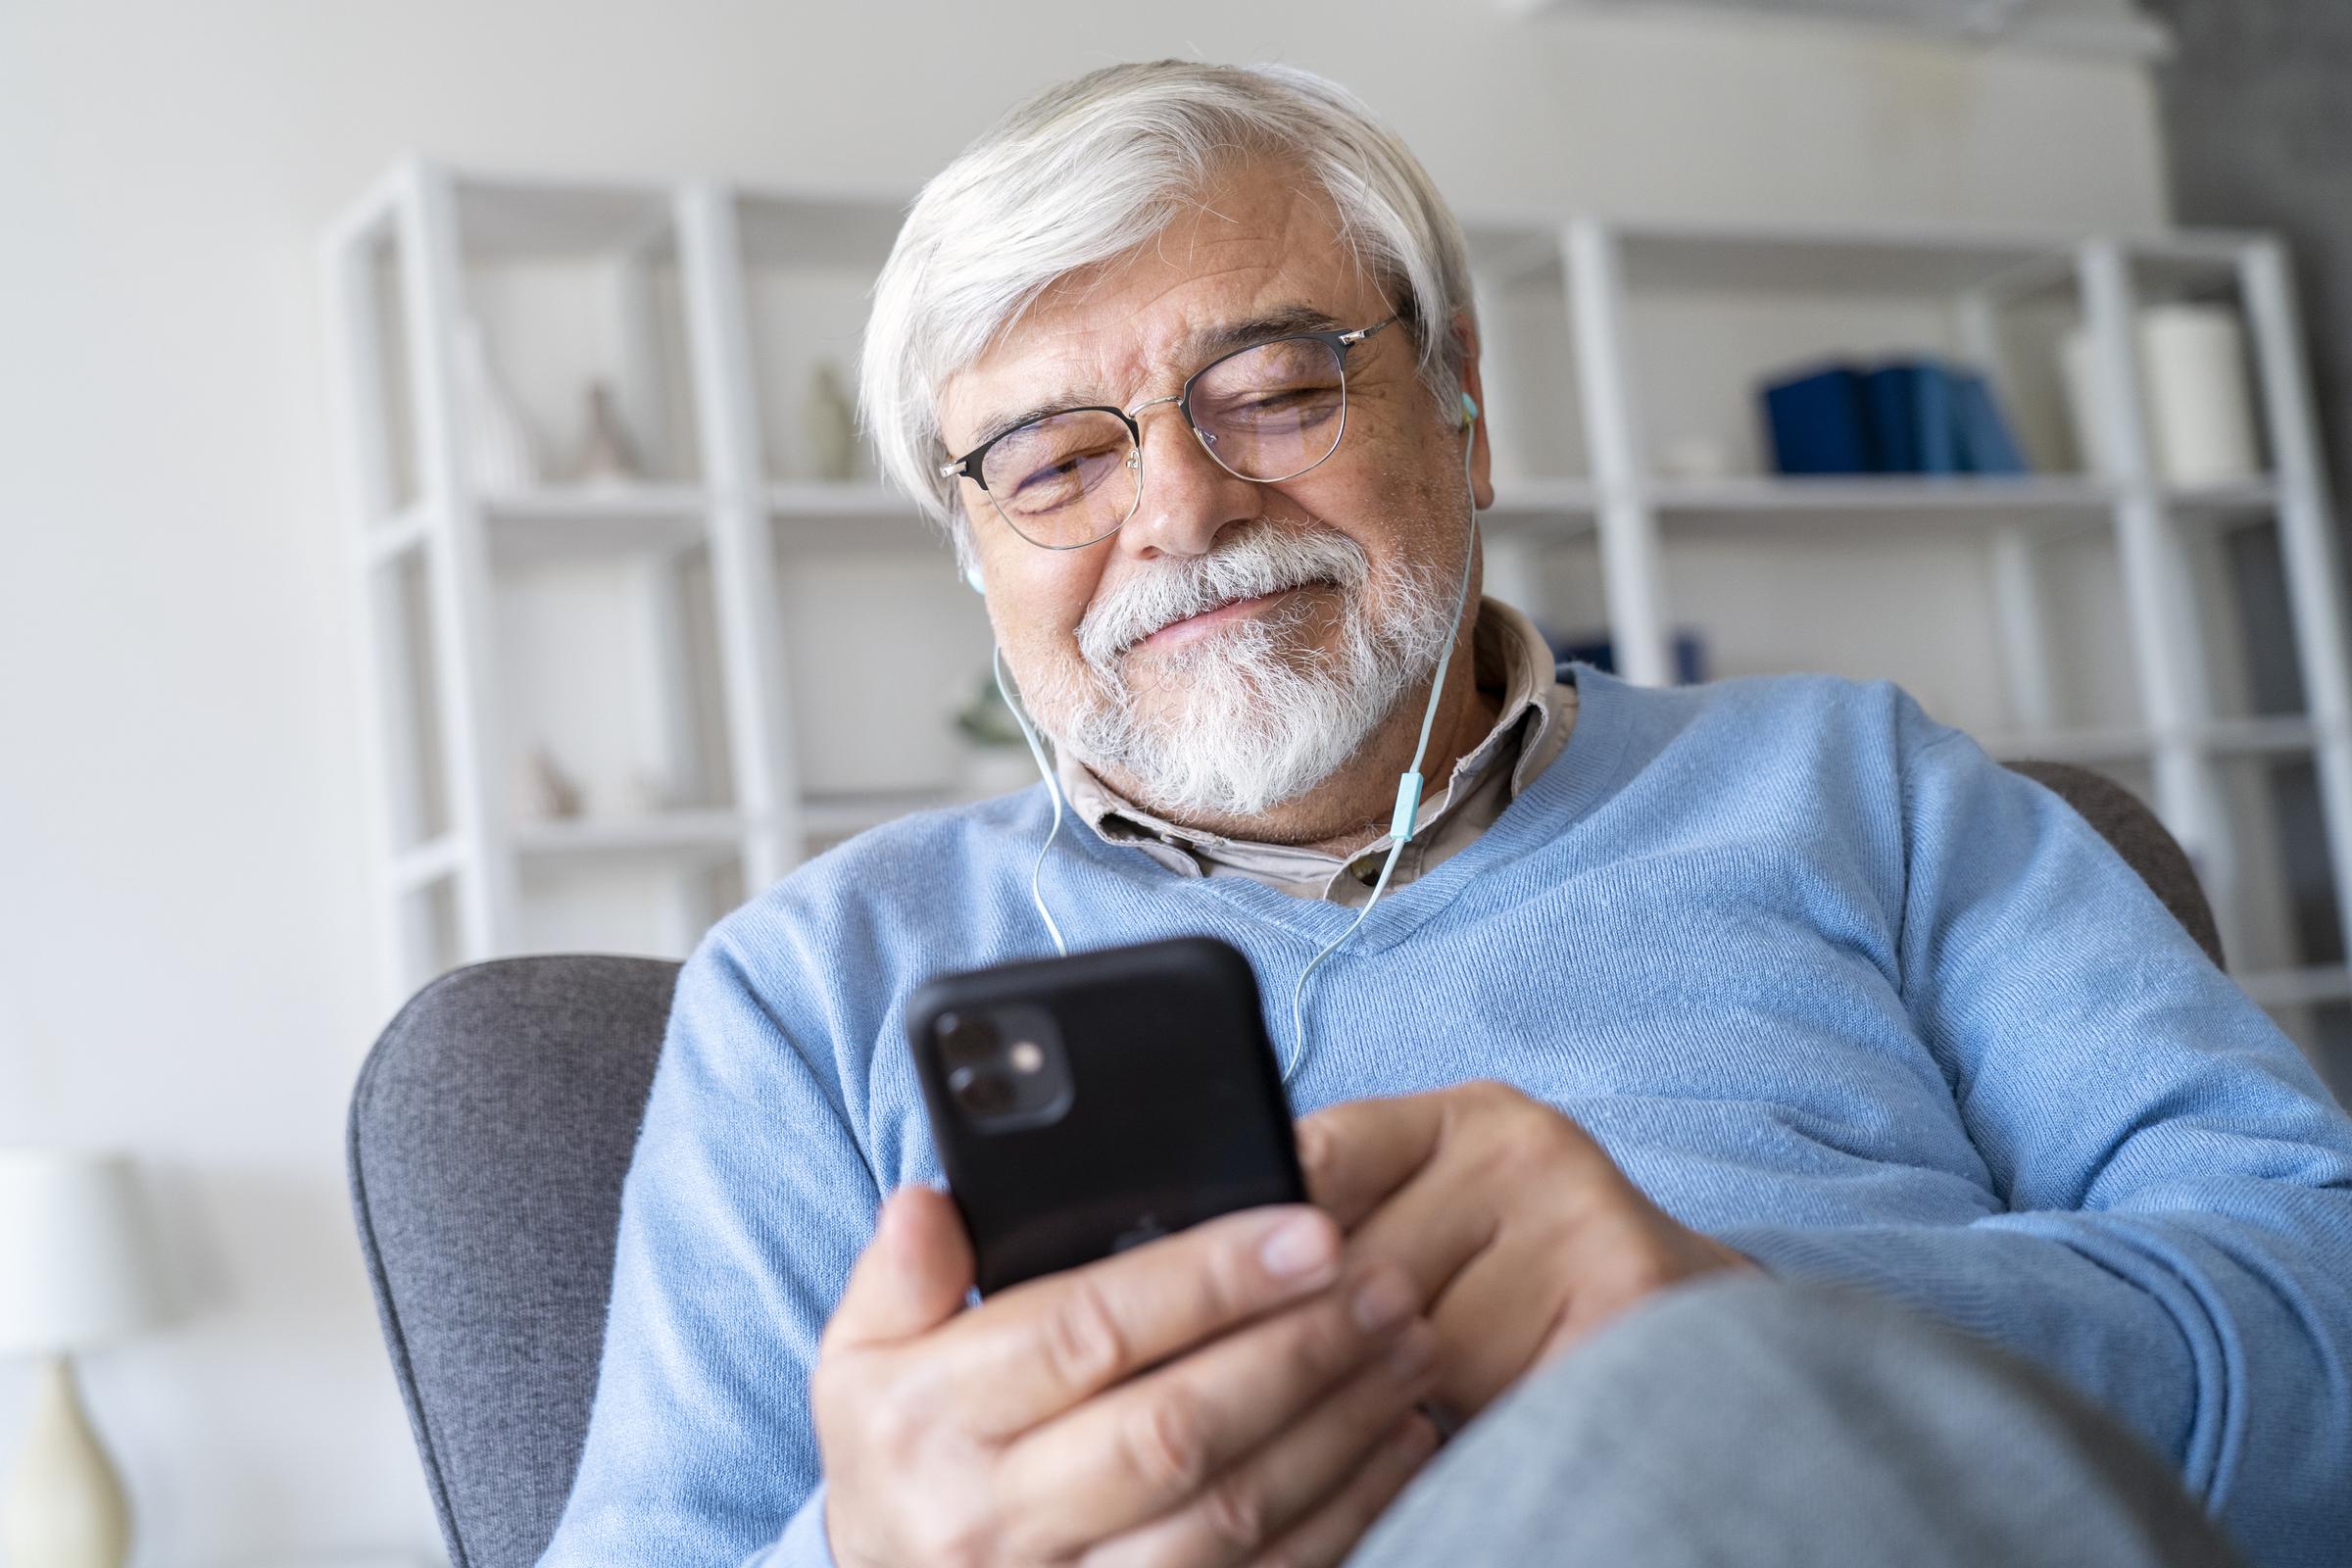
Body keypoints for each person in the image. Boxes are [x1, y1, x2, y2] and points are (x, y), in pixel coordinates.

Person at [536, 61, 2352, 1568]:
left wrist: (1753, 1307)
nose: (1177, 513)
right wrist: (878, 1552)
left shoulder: (1860, 792)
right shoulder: (809, 988)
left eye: (1268, 389)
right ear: (977, 552)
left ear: (1462, 409)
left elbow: (2322, 1310)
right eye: (1056, 463)